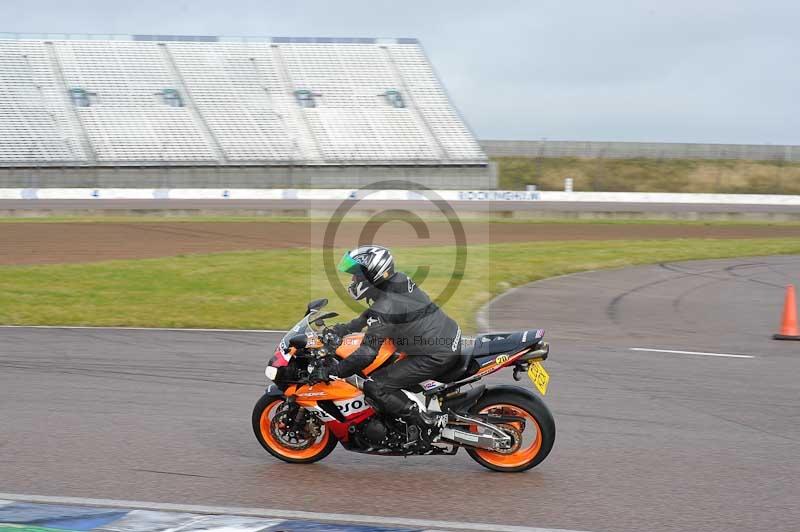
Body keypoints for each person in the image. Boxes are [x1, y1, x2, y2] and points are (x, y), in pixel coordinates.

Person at [309, 245, 461, 442]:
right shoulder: (398, 280)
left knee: (376, 386)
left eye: (356, 276)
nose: (353, 280)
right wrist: (345, 328)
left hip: (434, 353)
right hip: (446, 336)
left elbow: (367, 353)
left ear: (372, 275)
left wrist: (334, 371)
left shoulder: (385, 307)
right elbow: (373, 313)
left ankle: (425, 423)